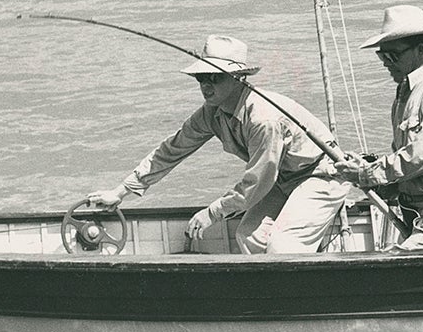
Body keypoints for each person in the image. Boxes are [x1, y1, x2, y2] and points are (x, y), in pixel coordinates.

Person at [86, 35, 352, 254]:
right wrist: (121, 191)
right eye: (202, 78)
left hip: (321, 177)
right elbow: (171, 150)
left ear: (238, 78)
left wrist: (212, 213)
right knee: (249, 238)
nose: (206, 85)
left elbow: (257, 181)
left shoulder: (263, 119)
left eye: (216, 77)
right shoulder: (210, 113)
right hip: (283, 180)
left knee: (281, 247)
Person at [335, 4, 423, 250]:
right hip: (414, 215)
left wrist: (368, 174)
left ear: (420, 50)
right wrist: (366, 174)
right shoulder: (402, 96)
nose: (386, 63)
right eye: (382, 56)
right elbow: (407, 166)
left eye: (393, 56)